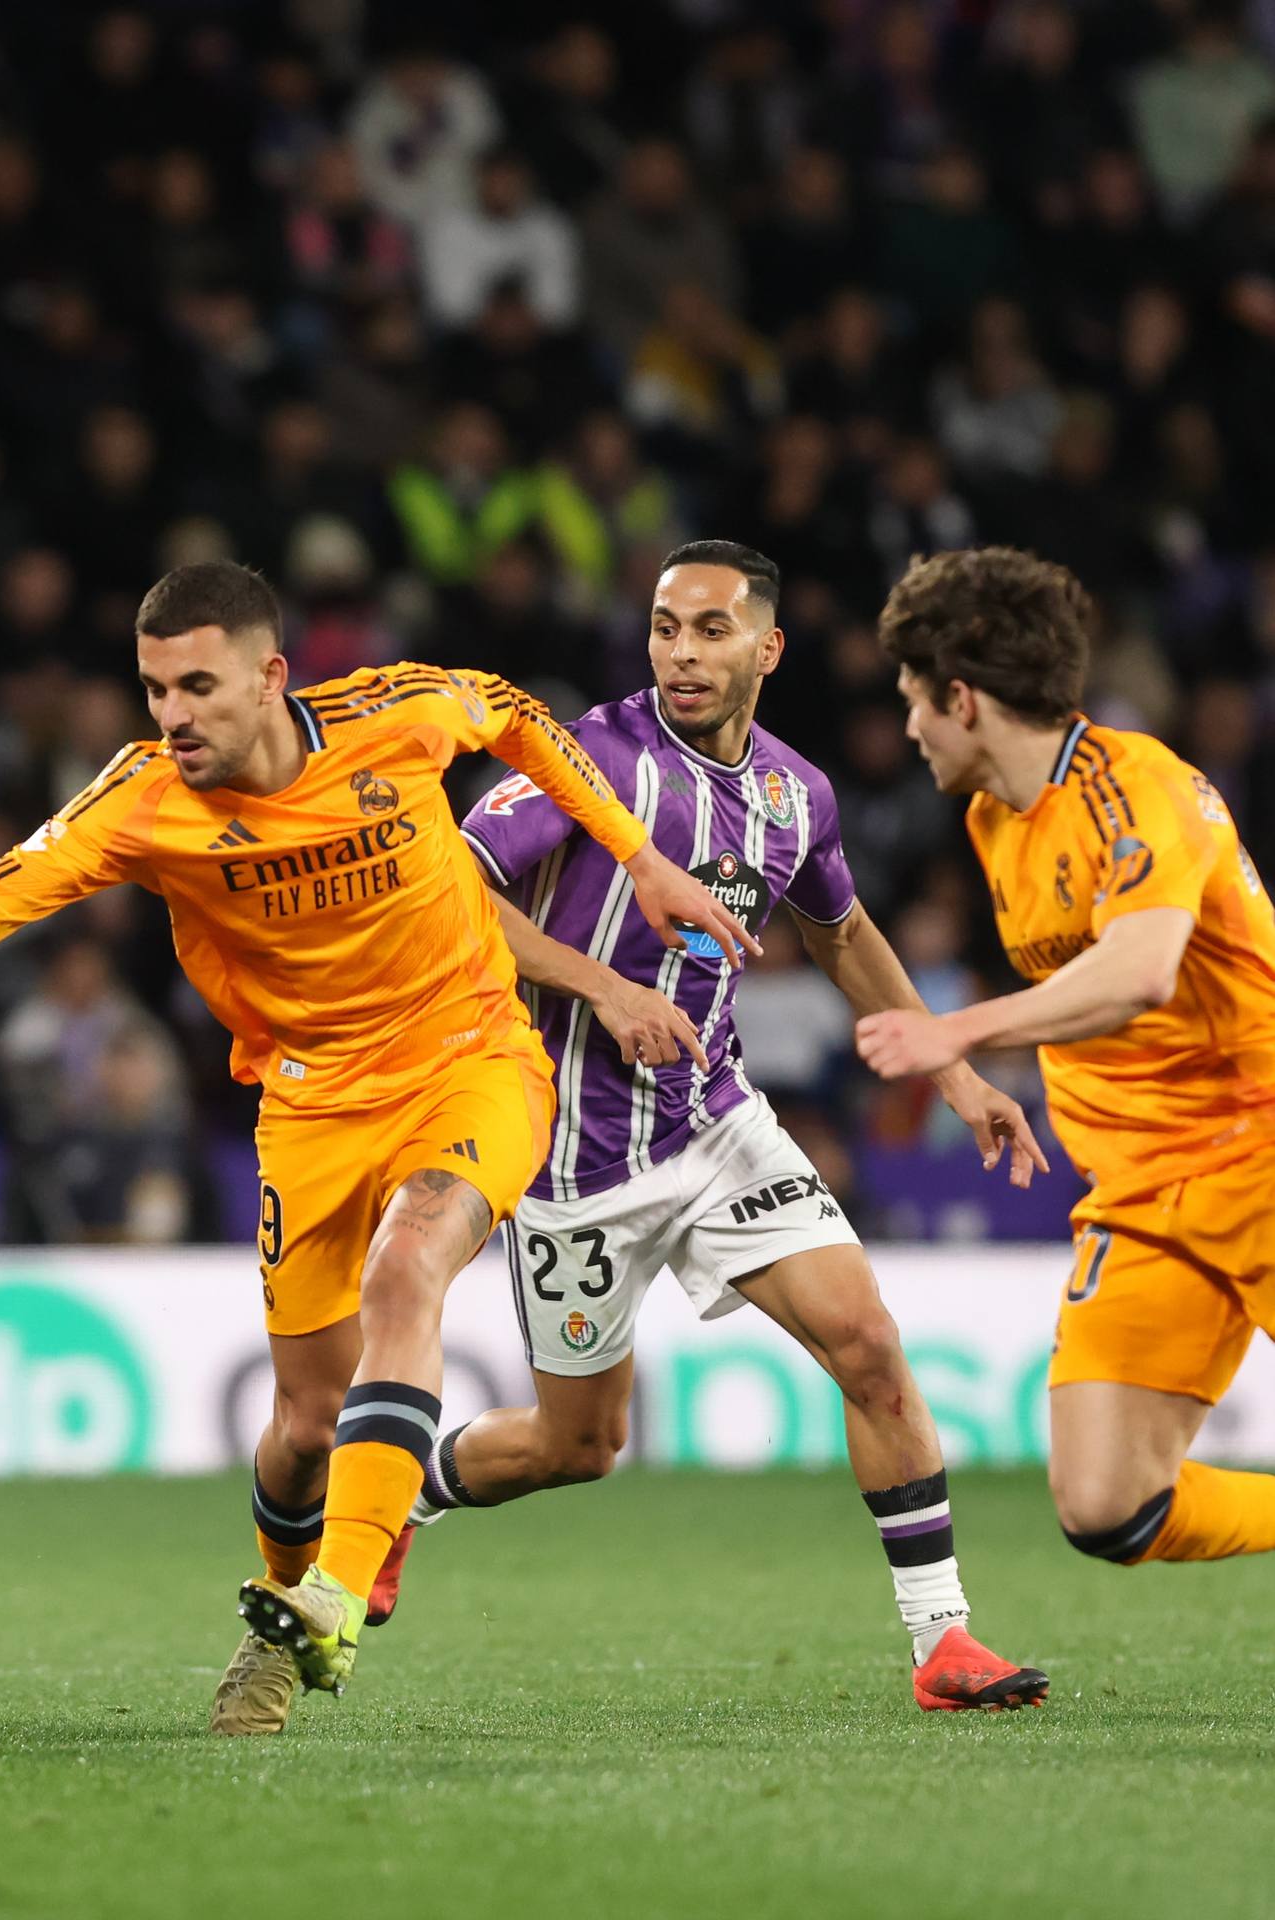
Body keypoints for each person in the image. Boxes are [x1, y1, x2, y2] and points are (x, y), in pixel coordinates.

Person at [0, 560, 756, 1734]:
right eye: (153, 691)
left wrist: (639, 858)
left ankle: (337, 1596)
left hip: (469, 1059)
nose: (172, 717)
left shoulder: (391, 717)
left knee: (411, 1265)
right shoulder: (142, 804)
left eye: (196, 686)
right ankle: (279, 1620)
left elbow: (514, 711)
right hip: (306, 1106)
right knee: (303, 1428)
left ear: (269, 675)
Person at [428, 540, 1050, 1712]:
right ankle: (411, 1490)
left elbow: (840, 930)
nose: (680, 651)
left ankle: (941, 1642)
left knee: (864, 1343)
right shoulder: (584, 759)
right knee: (576, 1446)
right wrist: (605, 990)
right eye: (665, 626)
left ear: (766, 648)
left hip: (717, 1124)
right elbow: (452, 892)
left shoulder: (791, 793)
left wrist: (953, 1067)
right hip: (573, 1152)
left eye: (710, 630)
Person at [858, 547, 1275, 1577]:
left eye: (913, 699)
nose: (907, 726)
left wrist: (957, 1034)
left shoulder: (1137, 787)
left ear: (960, 698)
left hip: (1257, 1147)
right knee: (1105, 1504)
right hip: (1140, 1190)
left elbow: (1138, 968)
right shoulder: (990, 818)